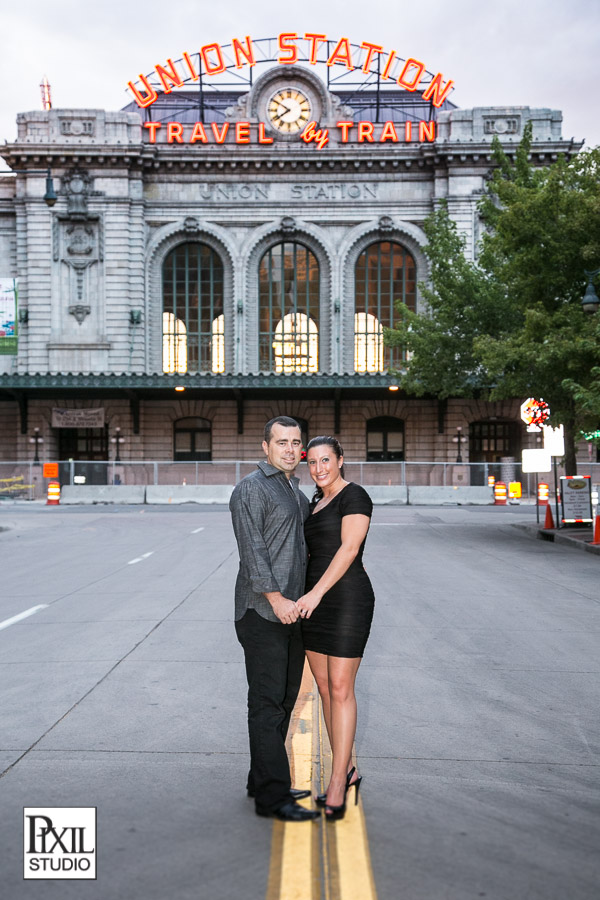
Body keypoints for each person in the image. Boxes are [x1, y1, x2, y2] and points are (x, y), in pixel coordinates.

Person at [230, 416, 321, 822]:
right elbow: (253, 554)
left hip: (293, 613)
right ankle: (272, 797)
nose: (289, 449)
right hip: (263, 612)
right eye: (281, 441)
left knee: (285, 700)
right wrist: (276, 598)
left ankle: (261, 777)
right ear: (265, 447)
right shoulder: (251, 489)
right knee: (267, 704)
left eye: (295, 442)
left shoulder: (294, 491)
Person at [296, 436, 375, 821]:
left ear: (341, 460)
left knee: (341, 688)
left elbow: (347, 550)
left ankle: (338, 782)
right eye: (311, 462)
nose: (319, 468)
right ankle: (346, 767)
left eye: (326, 460)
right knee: (325, 689)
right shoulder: (315, 502)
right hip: (314, 601)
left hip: (345, 599)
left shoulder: (354, 496)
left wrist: (314, 594)